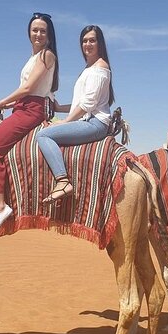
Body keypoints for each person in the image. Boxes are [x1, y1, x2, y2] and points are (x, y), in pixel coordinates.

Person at [0, 12, 59, 235]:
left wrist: (1, 102)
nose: (38, 34)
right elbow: (40, 92)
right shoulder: (33, 59)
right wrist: (8, 106)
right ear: (29, 33)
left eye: (43, 30)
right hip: (24, 107)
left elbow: (27, 89)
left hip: (30, 110)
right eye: (35, 30)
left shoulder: (46, 56)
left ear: (49, 35)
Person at [35, 25, 114, 205]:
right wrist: (58, 108)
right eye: (84, 41)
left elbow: (88, 104)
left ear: (100, 43)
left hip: (95, 124)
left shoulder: (100, 67)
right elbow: (82, 103)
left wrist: (64, 122)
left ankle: (62, 181)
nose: (88, 44)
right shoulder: (89, 67)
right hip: (88, 119)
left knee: (43, 135)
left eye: (92, 40)